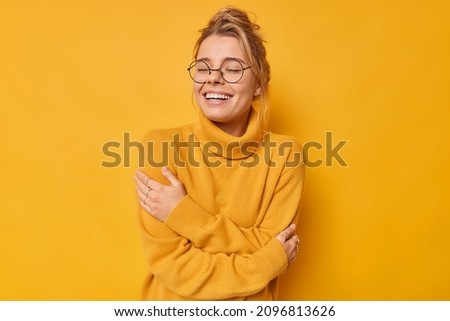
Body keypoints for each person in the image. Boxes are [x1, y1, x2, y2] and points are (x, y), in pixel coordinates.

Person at [134, 7, 305, 300]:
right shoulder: (159, 149)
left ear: (259, 87)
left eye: (232, 68)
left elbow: (271, 241)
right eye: (203, 67)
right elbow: (176, 267)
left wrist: (183, 215)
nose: (213, 78)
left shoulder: (286, 156)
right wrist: (266, 262)